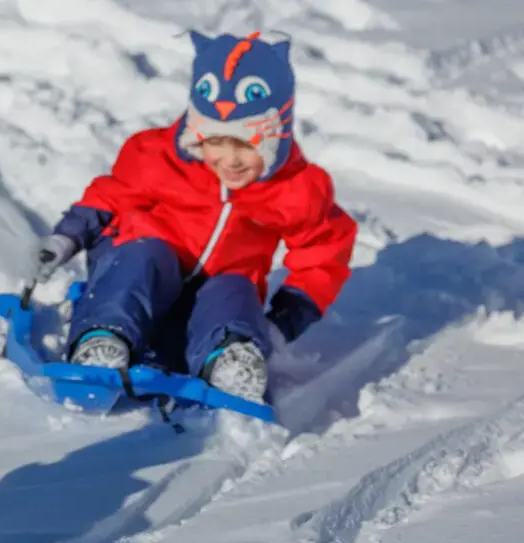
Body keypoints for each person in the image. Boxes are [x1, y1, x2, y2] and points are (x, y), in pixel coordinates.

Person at [33, 30, 358, 402]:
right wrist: (67, 237)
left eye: (247, 146)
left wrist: (285, 321)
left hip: (205, 306)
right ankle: (103, 340)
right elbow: (109, 197)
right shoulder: (157, 157)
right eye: (216, 142)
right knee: (146, 254)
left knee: (235, 288)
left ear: (276, 138)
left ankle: (230, 359)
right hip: (140, 277)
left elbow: (324, 251)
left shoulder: (296, 188)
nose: (229, 160)